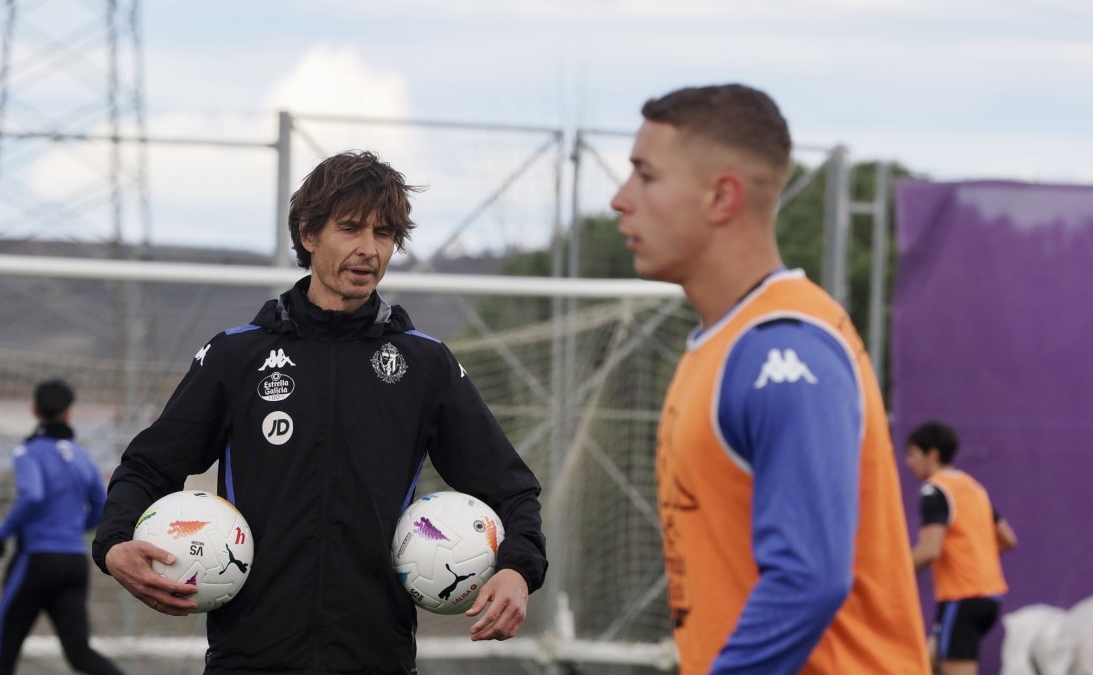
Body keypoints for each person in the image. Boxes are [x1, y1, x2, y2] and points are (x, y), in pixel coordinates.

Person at [92, 150, 548, 674]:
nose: (368, 249)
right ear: (309, 234)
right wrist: (115, 543)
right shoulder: (238, 357)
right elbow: (149, 466)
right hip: (251, 658)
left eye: (383, 234)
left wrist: (518, 567)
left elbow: (510, 487)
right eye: (350, 228)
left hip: (376, 658)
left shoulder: (424, 365)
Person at [611, 83, 930, 673]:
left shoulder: (782, 348)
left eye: (646, 176)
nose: (619, 199)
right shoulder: (727, 341)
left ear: (721, 197)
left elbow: (808, 580)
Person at [0, 379, 124, 675]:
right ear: (68, 414)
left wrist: (1, 534)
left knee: (4, 652)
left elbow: (32, 495)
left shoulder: (28, 452)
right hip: (74, 562)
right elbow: (103, 506)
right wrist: (75, 528)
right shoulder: (82, 457)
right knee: (79, 653)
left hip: (35, 560)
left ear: (34, 410)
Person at [905, 420, 1018, 675]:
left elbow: (929, 550)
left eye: (912, 454)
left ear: (932, 454)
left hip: (962, 598)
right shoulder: (973, 488)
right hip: (988, 599)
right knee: (922, 662)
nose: (908, 462)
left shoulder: (934, 490)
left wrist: (891, 578)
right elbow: (1008, 539)